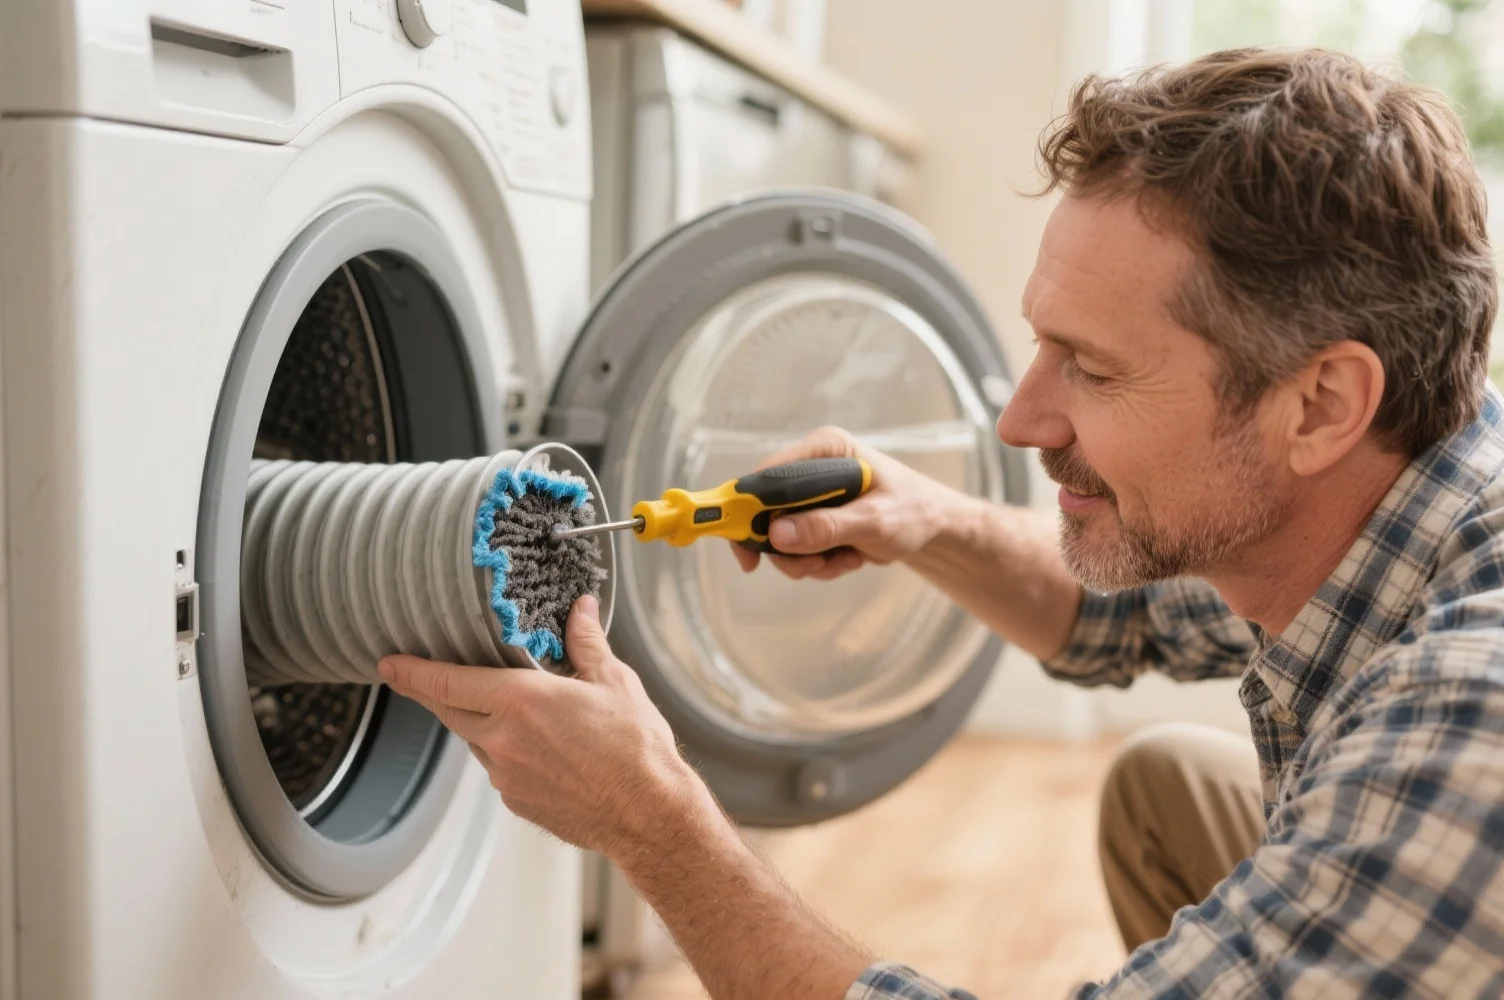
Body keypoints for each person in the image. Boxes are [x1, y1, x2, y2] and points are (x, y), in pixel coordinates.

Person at [378, 46, 1504, 998]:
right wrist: (918, 517)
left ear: (1318, 404)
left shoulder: (1467, 726)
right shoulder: (1404, 483)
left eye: (1093, 371)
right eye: (1042, 343)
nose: (1020, 418)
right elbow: (1130, 618)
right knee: (1168, 787)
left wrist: (656, 825)